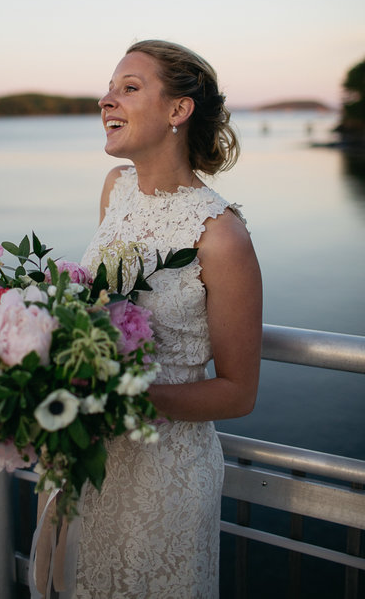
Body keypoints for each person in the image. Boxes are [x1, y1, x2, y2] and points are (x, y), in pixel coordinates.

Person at [75, 40, 262, 597]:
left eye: (129, 88)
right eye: (110, 87)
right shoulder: (115, 191)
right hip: (95, 460)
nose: (106, 99)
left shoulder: (220, 235)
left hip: (167, 476)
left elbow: (237, 392)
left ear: (179, 111)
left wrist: (119, 397)